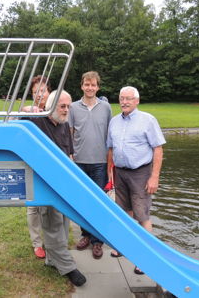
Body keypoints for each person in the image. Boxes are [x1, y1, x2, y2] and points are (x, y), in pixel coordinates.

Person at [28, 89, 87, 287]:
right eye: (62, 106)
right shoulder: (37, 121)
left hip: (63, 185)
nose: (66, 110)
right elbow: (16, 119)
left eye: (68, 106)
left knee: (62, 223)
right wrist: (28, 108)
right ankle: (68, 267)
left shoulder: (64, 125)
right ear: (49, 106)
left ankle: (51, 260)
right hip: (45, 185)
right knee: (52, 225)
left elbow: (70, 155)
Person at [106, 86, 166, 275]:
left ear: (137, 101)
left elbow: (158, 148)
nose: (124, 102)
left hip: (141, 173)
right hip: (120, 173)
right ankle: (124, 247)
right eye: (122, 98)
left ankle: (145, 258)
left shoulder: (147, 120)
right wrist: (110, 172)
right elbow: (111, 149)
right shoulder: (114, 122)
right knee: (124, 212)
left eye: (129, 98)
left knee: (142, 215)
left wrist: (154, 176)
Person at [69, 71, 112, 259]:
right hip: (79, 162)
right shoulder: (73, 108)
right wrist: (70, 157)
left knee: (99, 202)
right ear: (82, 86)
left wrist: (111, 163)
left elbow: (111, 136)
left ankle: (97, 241)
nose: (90, 88)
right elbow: (69, 134)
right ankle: (85, 235)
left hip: (100, 163)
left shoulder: (106, 107)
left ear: (98, 87)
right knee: (82, 202)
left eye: (93, 85)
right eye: (87, 84)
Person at [24, 75, 51, 259]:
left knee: (50, 205)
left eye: (42, 90)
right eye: (35, 92)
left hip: (51, 165)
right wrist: (22, 110)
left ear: (49, 91)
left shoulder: (55, 110)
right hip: (32, 165)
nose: (39, 95)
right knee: (33, 206)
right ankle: (37, 243)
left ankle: (52, 242)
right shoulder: (28, 113)